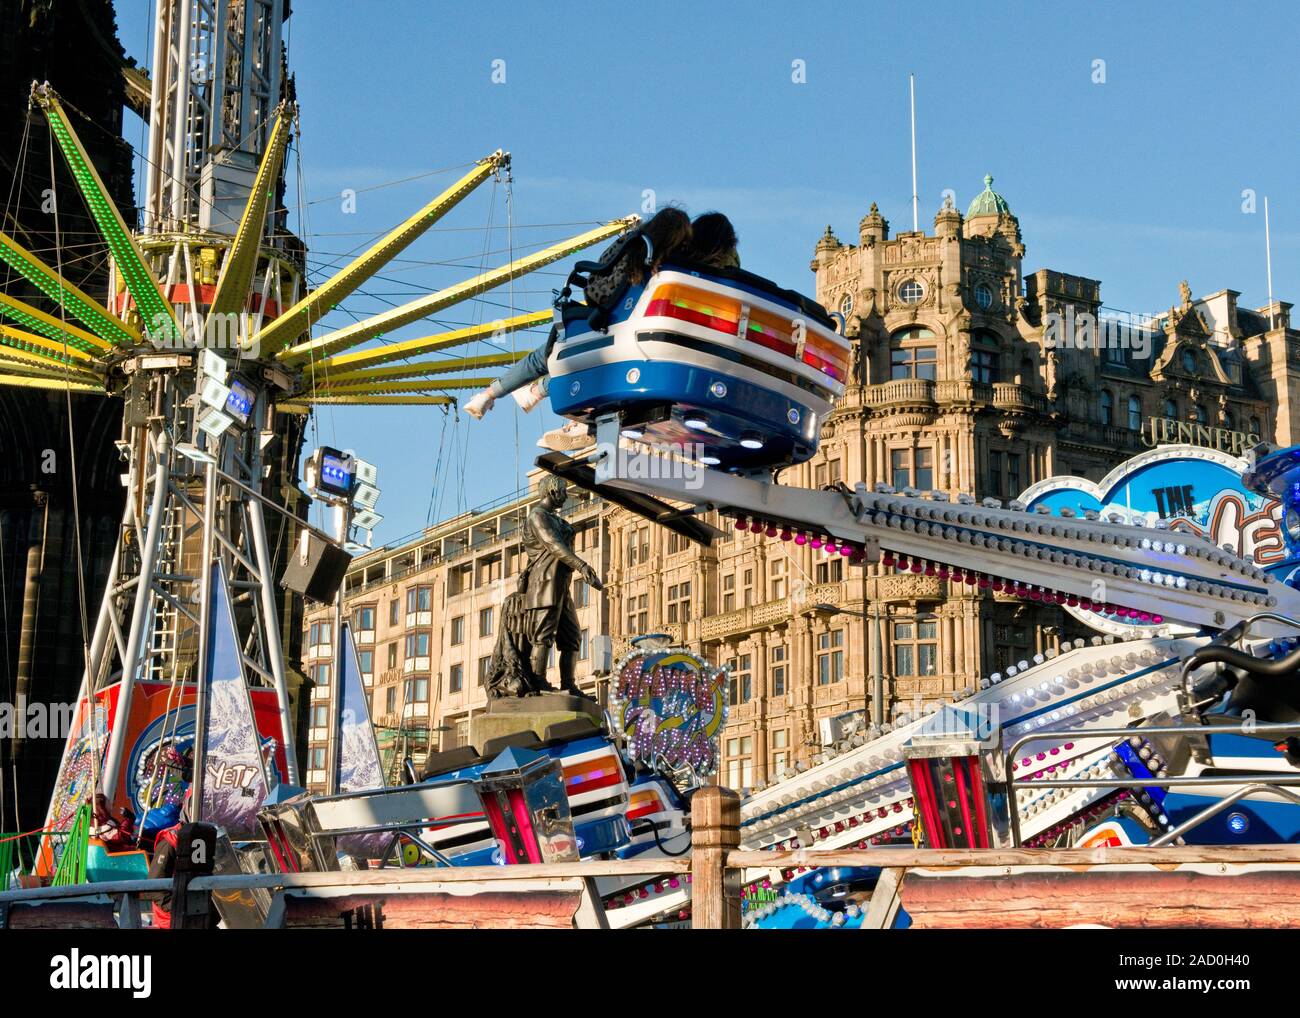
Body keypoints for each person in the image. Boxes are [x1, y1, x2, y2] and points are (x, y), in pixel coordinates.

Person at [462, 207, 693, 429]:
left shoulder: (635, 248)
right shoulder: (676, 270)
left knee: (548, 355)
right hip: (642, 335)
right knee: (579, 363)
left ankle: (490, 394)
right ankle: (537, 391)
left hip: (611, 319)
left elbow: (597, 281)